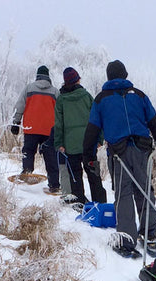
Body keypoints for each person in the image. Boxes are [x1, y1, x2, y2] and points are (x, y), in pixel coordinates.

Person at [83, 60, 156, 258]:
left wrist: (87, 157)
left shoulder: (101, 99)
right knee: (144, 189)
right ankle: (150, 233)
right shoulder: (139, 96)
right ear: (125, 75)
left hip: (118, 153)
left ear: (108, 77)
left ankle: (127, 236)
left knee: (123, 193)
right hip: (142, 150)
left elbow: (92, 131)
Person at [54, 67, 106, 207]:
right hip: (89, 144)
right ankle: (100, 204)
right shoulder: (87, 96)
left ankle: (79, 203)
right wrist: (99, 138)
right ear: (77, 80)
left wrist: (59, 143)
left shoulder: (61, 100)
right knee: (94, 175)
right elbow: (98, 118)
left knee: (75, 176)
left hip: (70, 145)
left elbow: (58, 124)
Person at [11, 65, 60, 193]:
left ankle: (27, 175)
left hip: (31, 128)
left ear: (37, 76)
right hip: (49, 130)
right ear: (48, 77)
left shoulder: (29, 88)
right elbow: (60, 111)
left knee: (28, 151)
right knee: (51, 157)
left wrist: (16, 122)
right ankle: (54, 185)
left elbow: (20, 106)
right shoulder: (55, 92)